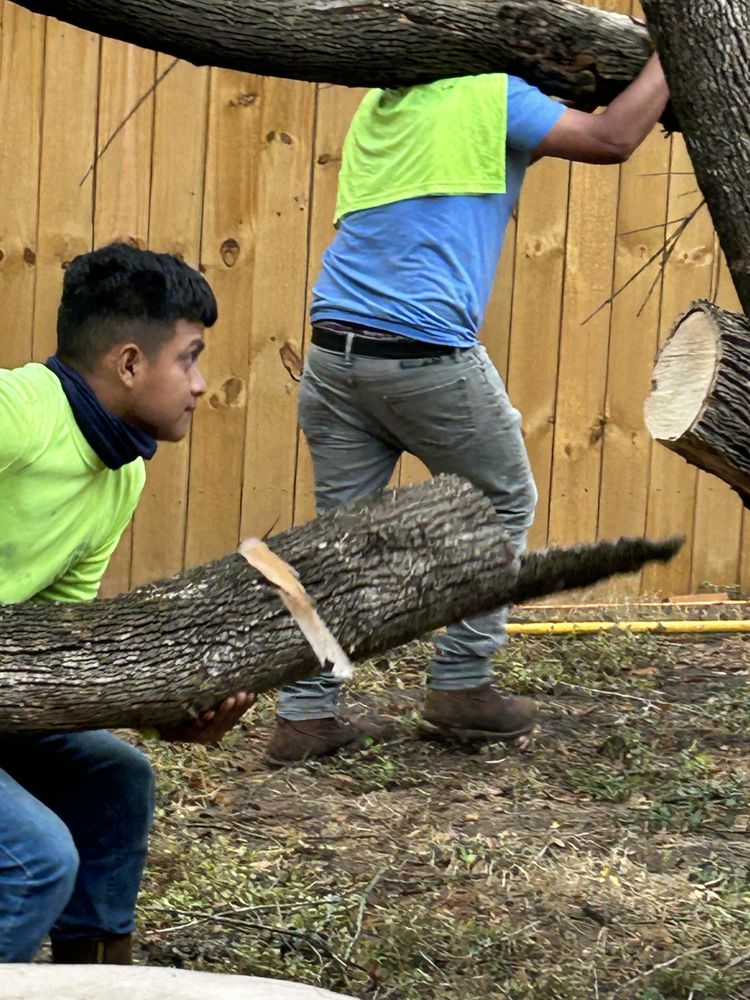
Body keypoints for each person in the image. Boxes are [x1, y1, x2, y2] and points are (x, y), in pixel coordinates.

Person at [266, 56, 670, 763]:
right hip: (423, 354)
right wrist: (676, 56)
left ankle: (305, 714)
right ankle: (460, 685)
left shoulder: (385, 103)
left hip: (333, 351)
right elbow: (614, 139)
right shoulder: (494, 96)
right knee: (502, 503)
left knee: (338, 541)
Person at [0, 243, 253, 964]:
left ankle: (96, 977)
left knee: (117, 777)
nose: (201, 385)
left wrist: (165, 710)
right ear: (131, 364)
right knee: (35, 860)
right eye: (190, 358)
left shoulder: (119, 475)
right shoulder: (21, 412)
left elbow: (56, 642)